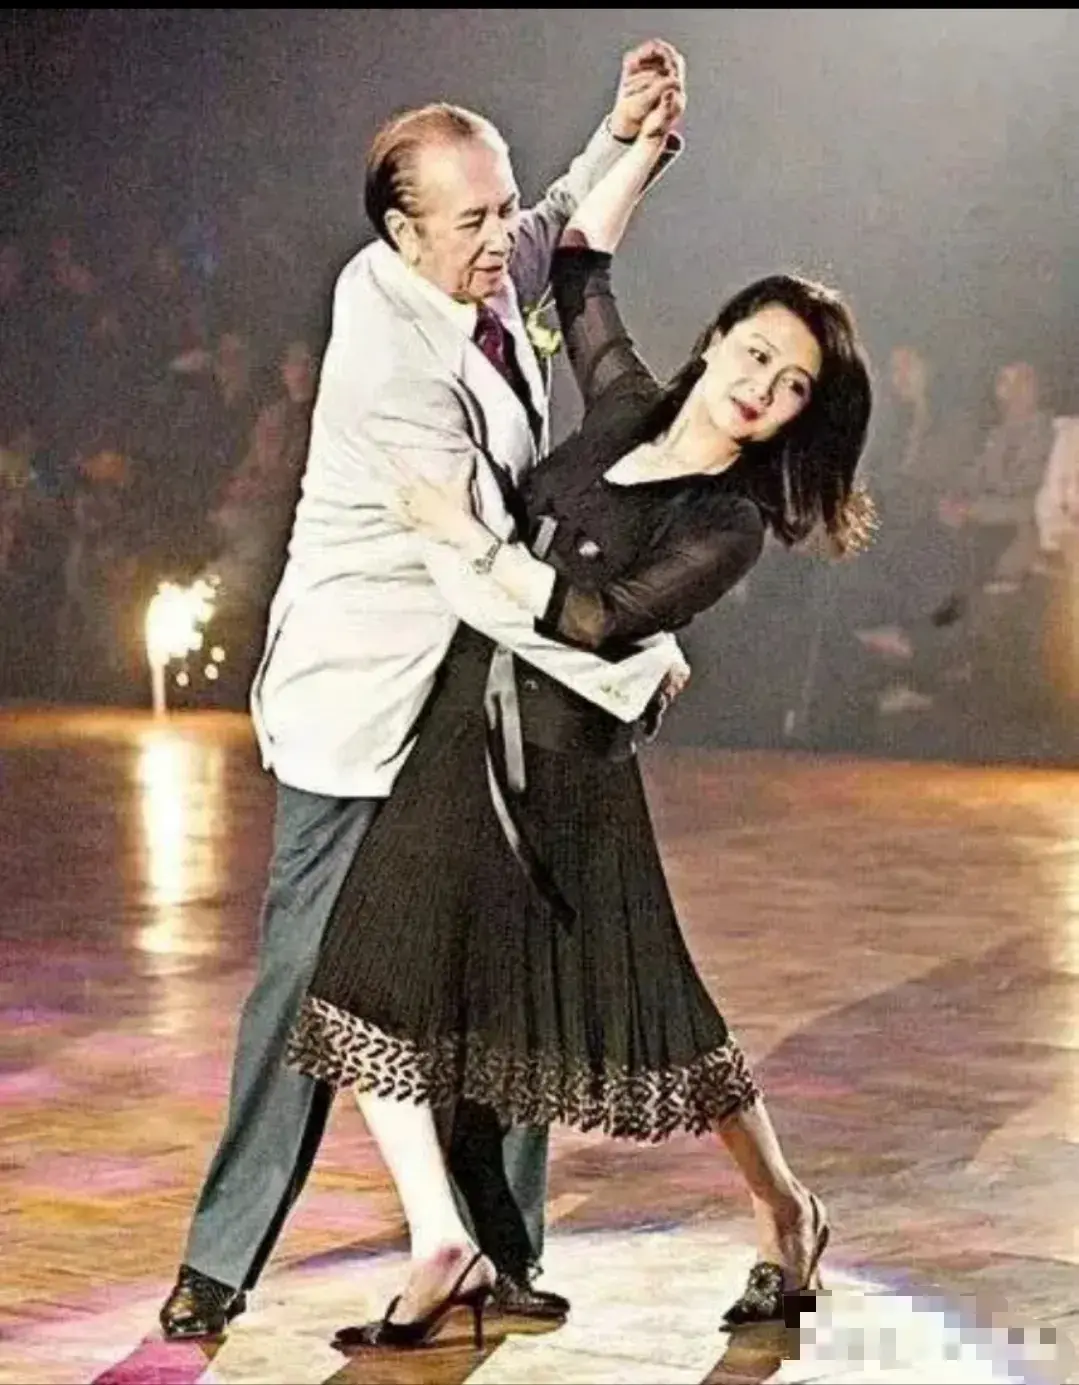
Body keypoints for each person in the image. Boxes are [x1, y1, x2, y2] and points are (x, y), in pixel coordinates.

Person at [286, 93, 874, 1347]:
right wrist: (639, 147)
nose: (760, 386)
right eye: (752, 353)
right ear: (714, 341)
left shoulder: (725, 522)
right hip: (459, 733)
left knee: (662, 1023)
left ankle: (787, 1209)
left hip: (569, 778)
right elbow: (579, 267)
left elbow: (601, 620)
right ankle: (440, 1241)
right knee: (364, 985)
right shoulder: (620, 404)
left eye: (790, 385)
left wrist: (468, 542)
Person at [159, 41, 688, 1342]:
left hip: (465, 690)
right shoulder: (390, 358)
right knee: (310, 981)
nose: (500, 238)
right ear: (401, 235)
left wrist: (625, 134)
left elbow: (551, 226)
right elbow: (473, 571)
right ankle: (219, 1260)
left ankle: (498, 1251)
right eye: (471, 221)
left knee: (498, 963)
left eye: (499, 207)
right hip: (363, 702)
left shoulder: (471, 263)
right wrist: (620, 659)